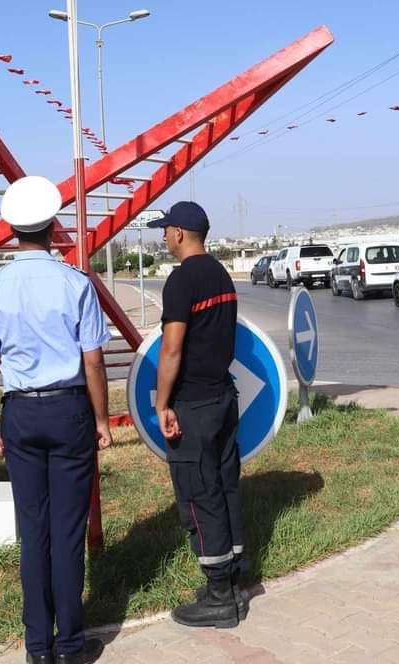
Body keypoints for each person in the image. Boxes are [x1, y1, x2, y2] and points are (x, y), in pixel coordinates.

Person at [0, 175, 111, 664]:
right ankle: (71, 645)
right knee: (68, 530)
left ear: (12, 231)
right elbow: (93, 362)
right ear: (54, 228)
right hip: (70, 410)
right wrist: (101, 420)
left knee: (33, 533)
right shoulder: (75, 283)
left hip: (20, 413)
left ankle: (37, 648)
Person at [148, 201, 246, 629]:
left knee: (198, 494)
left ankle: (219, 598)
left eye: (165, 230)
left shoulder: (182, 280)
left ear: (180, 233)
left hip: (196, 405)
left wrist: (162, 402)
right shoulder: (221, 273)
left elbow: (172, 348)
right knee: (225, 489)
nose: (163, 237)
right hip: (224, 397)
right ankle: (235, 580)